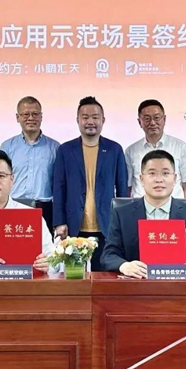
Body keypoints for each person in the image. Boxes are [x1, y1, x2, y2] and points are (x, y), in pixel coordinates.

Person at [101, 150, 186, 278]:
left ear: (174, 179)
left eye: (165, 173)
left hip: (181, 285)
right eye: (152, 173)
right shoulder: (122, 214)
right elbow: (109, 254)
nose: (159, 180)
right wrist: (124, 266)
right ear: (141, 179)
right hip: (137, 284)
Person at [53, 96, 128, 271]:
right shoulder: (65, 150)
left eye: (95, 117)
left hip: (106, 226)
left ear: (103, 120)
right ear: (77, 120)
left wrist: (122, 223)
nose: (90, 122)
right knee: (75, 276)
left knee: (106, 275)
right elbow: (58, 188)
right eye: (85, 117)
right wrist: (59, 222)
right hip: (74, 227)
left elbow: (122, 190)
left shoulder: (114, 149)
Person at [0, 96, 60, 231]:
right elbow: (1, 180)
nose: (31, 118)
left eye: (35, 114)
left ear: (41, 117)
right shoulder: (7, 147)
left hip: (45, 208)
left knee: (43, 245)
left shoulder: (55, 148)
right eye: (26, 114)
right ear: (18, 117)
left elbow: (59, 185)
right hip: (14, 206)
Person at [125, 99, 186, 199]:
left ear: (164, 119)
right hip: (140, 207)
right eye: (147, 119)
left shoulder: (180, 147)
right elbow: (128, 187)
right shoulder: (131, 151)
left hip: (174, 207)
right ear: (139, 122)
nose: (152, 123)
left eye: (156, 118)